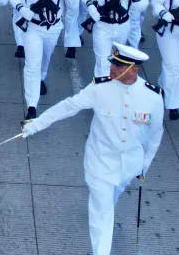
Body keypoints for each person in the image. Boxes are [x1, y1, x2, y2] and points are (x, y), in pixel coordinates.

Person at [20, 43, 163, 255]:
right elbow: (69, 106)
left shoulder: (152, 97)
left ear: (134, 69)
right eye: (113, 63)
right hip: (100, 162)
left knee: (109, 201)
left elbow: (154, 135)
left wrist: (144, 166)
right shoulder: (100, 88)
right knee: (102, 212)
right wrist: (36, 125)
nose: (112, 69)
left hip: (129, 165)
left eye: (118, 65)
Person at [8, 0, 75, 118]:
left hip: (53, 28)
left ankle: (42, 78)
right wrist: (23, 10)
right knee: (31, 65)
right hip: (33, 28)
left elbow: (74, 6)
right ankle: (31, 105)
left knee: (45, 58)